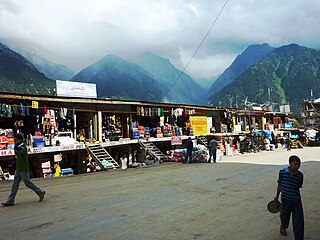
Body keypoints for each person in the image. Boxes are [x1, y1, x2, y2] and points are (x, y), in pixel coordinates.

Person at [2, 134, 46, 206]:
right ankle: (10, 200)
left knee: (27, 183)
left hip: (23, 169)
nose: (15, 141)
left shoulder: (23, 147)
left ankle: (40, 192)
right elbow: (16, 152)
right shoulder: (18, 147)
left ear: (20, 140)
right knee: (15, 185)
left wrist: (16, 148)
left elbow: (18, 153)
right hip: (18, 168)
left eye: (16, 140)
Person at [274, 155, 304, 239]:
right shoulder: (282, 172)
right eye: (296, 164)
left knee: (299, 220)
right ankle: (283, 226)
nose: (298, 166)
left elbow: (298, 186)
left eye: (299, 165)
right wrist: (276, 196)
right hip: (285, 199)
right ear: (290, 163)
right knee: (284, 216)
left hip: (296, 201)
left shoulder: (300, 175)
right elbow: (279, 185)